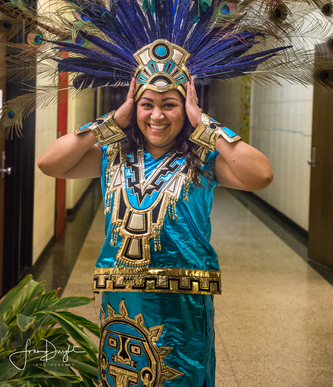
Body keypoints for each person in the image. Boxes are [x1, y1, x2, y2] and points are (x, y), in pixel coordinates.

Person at [38, 64, 273, 387]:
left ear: (186, 108)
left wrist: (203, 122)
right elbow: (49, 163)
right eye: (147, 104)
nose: (157, 116)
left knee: (183, 376)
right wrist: (111, 121)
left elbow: (260, 175)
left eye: (170, 105)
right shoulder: (113, 155)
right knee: (125, 376)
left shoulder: (203, 160)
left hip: (183, 298)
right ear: (134, 107)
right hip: (123, 298)